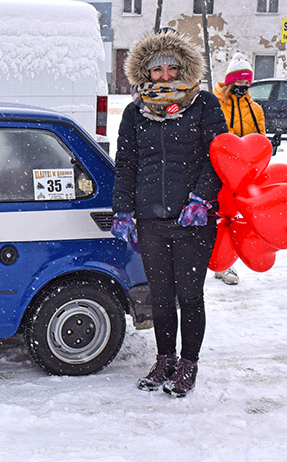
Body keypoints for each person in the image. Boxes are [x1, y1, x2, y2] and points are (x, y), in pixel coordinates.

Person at [111, 28, 228, 397]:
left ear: (184, 69)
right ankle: (166, 359)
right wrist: (123, 210)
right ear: (145, 72)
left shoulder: (204, 104)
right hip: (151, 219)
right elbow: (126, 162)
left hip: (192, 219)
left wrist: (201, 198)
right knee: (160, 296)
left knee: (190, 296)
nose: (164, 76)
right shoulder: (135, 111)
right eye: (156, 69)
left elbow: (219, 155)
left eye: (171, 68)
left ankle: (189, 364)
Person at [211, 52, 266, 285]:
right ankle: (206, 259)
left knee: (232, 218)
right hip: (217, 168)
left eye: (246, 82)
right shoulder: (215, 104)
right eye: (239, 81)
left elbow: (260, 137)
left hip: (243, 173)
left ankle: (225, 265)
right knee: (212, 215)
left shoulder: (256, 109)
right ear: (230, 80)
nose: (243, 86)